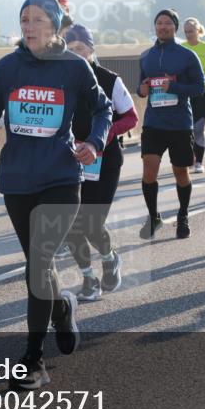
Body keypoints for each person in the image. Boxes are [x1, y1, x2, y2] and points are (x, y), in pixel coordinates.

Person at [0, 0, 112, 389]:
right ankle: (62, 308)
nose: (29, 26)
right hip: (17, 179)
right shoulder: (7, 67)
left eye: (37, 19)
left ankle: (34, 360)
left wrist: (95, 143)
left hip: (61, 178)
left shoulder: (73, 67)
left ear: (54, 25)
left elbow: (103, 109)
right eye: (24, 19)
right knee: (39, 264)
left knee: (38, 262)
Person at [63, 24, 137, 301]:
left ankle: (109, 258)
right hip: (70, 158)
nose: (76, 55)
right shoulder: (60, 78)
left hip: (104, 160)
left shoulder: (109, 79)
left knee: (91, 223)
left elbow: (130, 117)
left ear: (92, 50)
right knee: (68, 223)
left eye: (81, 49)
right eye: (70, 51)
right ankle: (88, 279)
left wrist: (102, 138)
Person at [137, 9, 205, 239]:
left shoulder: (187, 56)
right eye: (159, 23)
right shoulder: (146, 56)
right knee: (149, 171)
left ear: (174, 28)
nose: (163, 27)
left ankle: (183, 215)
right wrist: (141, 89)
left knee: (181, 173)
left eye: (167, 23)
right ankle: (154, 215)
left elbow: (198, 87)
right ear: (155, 27)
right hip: (154, 122)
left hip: (179, 124)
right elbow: (141, 86)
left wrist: (174, 87)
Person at [180, 17, 205, 173]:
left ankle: (199, 162)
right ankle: (190, 158)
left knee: (198, 128)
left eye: (191, 31)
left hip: (204, 93)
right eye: (186, 32)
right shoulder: (181, 48)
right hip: (186, 93)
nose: (188, 34)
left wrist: (204, 77)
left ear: (198, 31)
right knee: (187, 129)